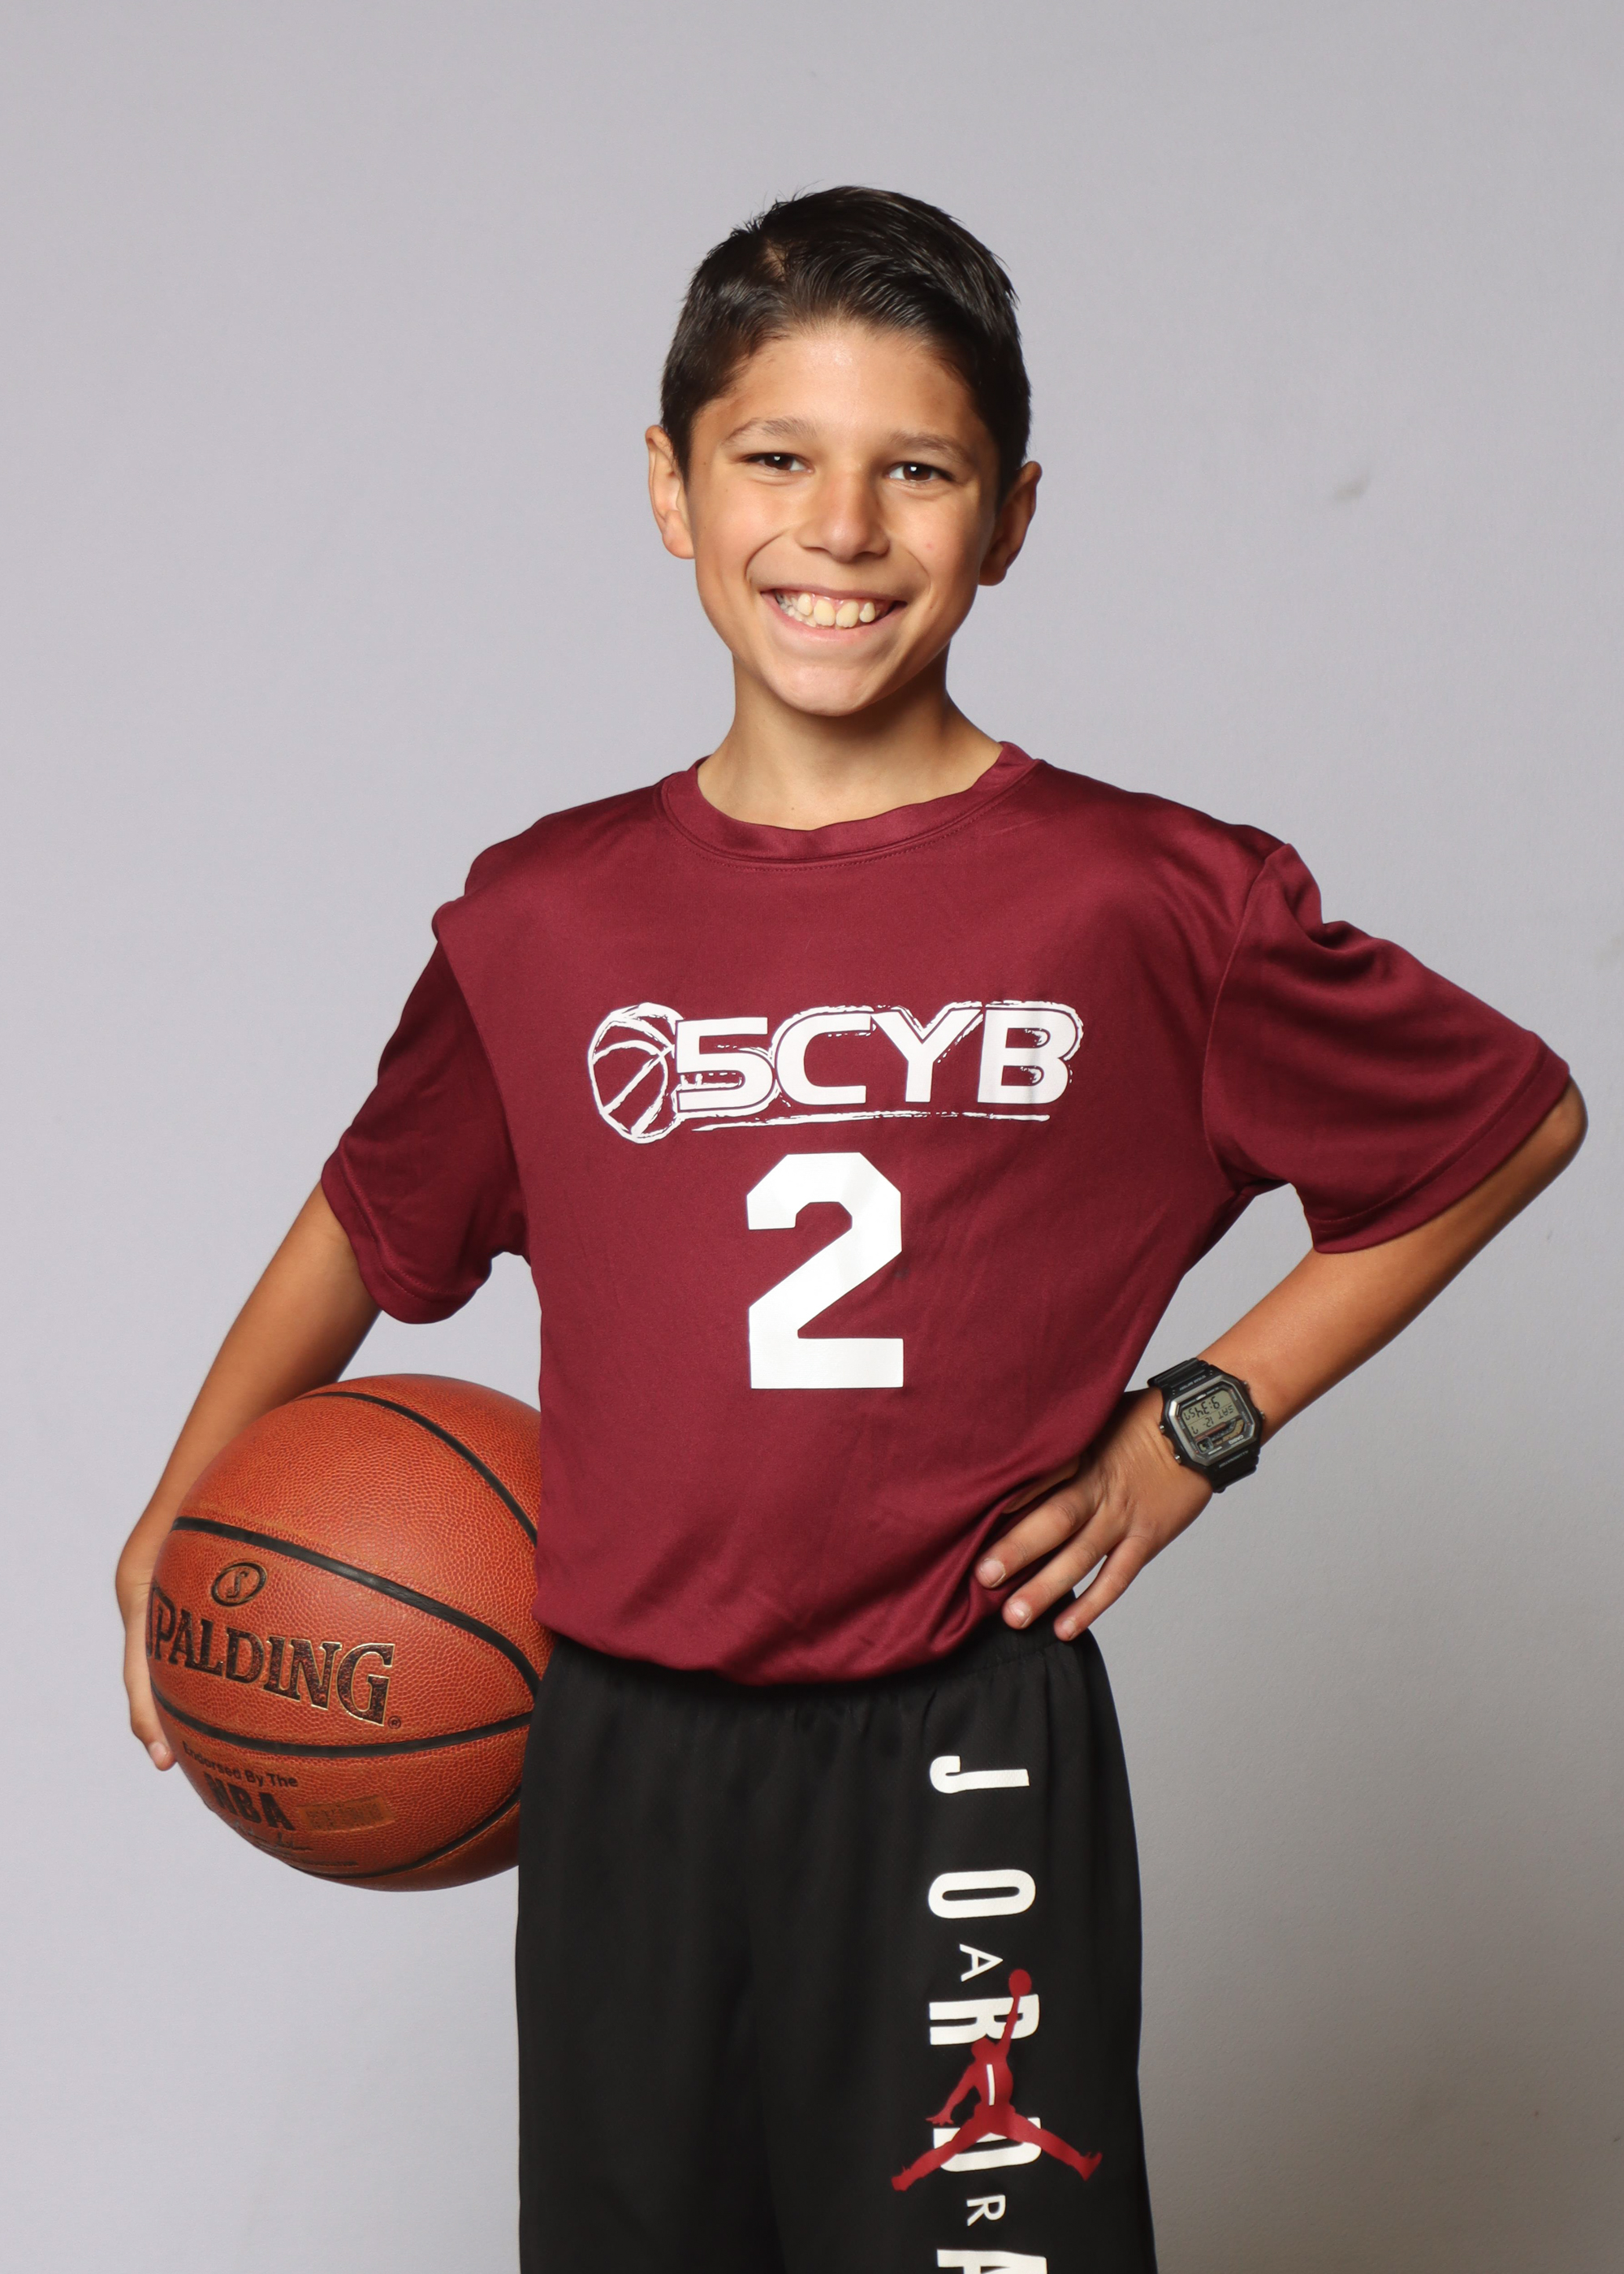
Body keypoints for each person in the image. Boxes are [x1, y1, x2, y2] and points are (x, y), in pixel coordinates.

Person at [117, 187, 1585, 2273]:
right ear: (670, 486)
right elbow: (371, 1214)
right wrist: (183, 1512)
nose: (841, 526)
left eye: (918, 470)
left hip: (961, 1733)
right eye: (775, 457)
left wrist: (1198, 1426)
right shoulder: (543, 919)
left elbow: (1500, 1122)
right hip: (620, 1744)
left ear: (1011, 517)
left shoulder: (1142, 899)